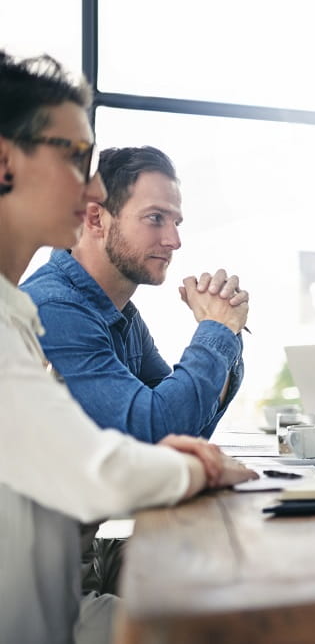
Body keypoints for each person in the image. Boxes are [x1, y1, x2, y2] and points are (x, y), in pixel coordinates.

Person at [0, 50, 257, 644]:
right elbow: (120, 455)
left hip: (68, 571)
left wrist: (221, 336)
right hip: (46, 608)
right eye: (73, 155)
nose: (92, 185)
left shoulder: (28, 313)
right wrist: (215, 334)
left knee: (241, 574)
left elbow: (177, 420)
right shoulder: (47, 307)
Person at [20, 145, 249, 443]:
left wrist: (227, 329)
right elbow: (154, 427)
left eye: (176, 223)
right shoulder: (55, 308)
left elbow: (185, 430)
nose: (174, 241)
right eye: (155, 218)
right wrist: (217, 329)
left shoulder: (123, 314)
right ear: (95, 219)